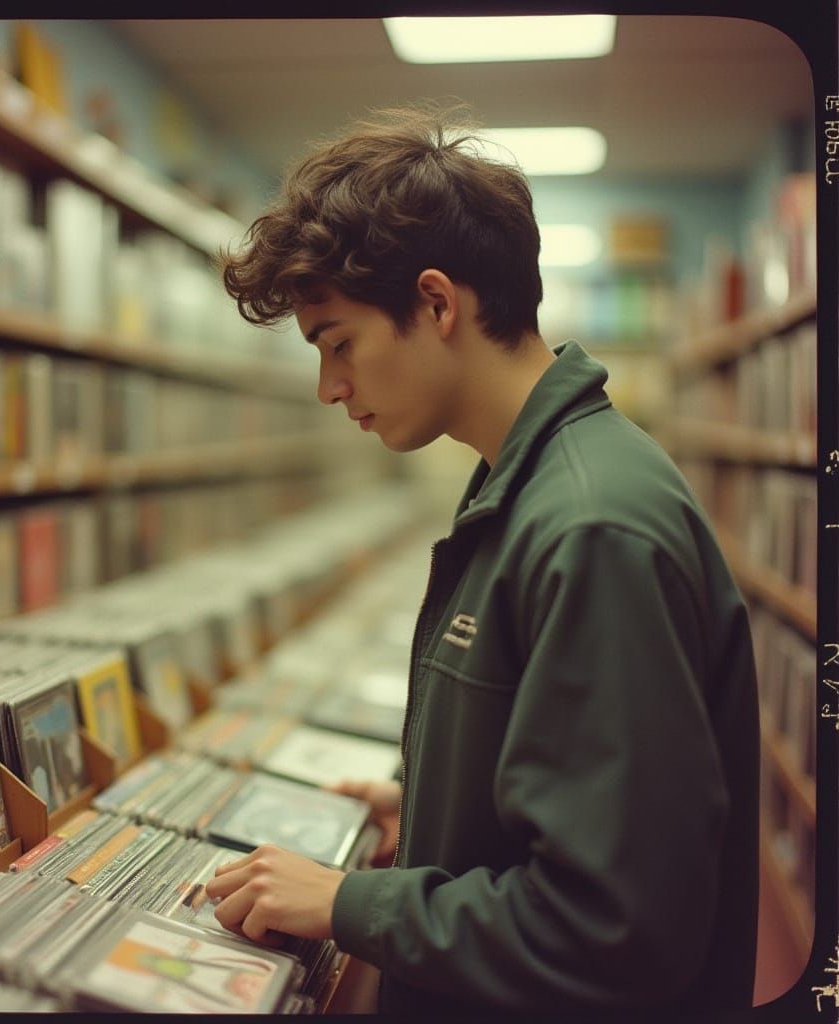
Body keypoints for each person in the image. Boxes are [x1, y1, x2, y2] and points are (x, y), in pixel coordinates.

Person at [204, 104, 760, 1015]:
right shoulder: (531, 479)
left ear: (435, 302)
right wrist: (433, 821)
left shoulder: (590, 527)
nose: (329, 386)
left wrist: (354, 902)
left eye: (338, 343)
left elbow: (618, 930)